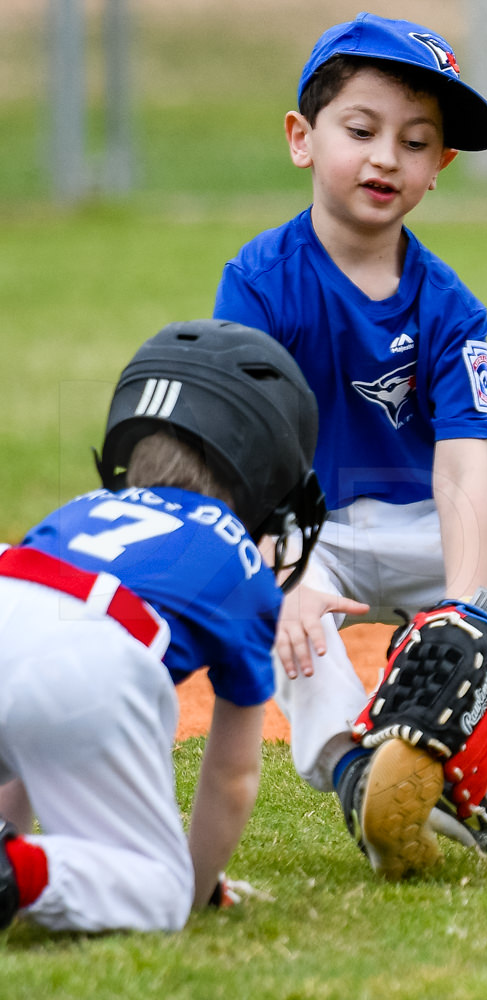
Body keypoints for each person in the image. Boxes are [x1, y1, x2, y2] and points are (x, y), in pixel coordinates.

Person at [212, 13, 487, 862]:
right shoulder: (259, 280)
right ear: (302, 139)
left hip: (417, 523)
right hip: (306, 527)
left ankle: (471, 773)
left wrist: (463, 613)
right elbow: (247, 453)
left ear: (440, 169)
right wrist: (281, 576)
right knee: (280, 599)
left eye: (416, 141)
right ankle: (358, 773)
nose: (386, 157)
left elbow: (464, 472)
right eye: (360, 130)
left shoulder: (450, 307)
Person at [0, 319, 326, 933]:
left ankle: (11, 860)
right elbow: (232, 776)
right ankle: (24, 870)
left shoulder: (77, 510)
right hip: (86, 655)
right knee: (159, 892)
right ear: (263, 464)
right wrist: (192, 893)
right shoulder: (240, 562)